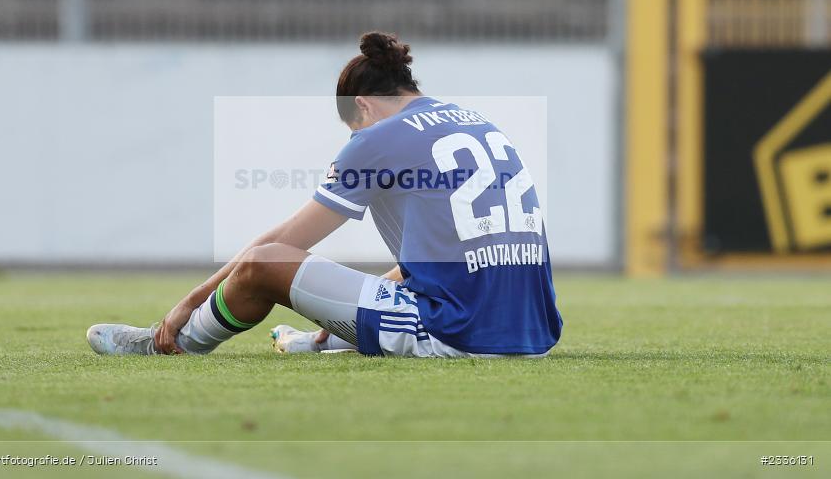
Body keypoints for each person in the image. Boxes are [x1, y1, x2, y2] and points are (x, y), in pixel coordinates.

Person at [87, 32, 561, 358]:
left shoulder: (377, 138)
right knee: (369, 296)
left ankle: (170, 342)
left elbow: (282, 248)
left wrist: (190, 300)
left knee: (264, 264)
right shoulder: (477, 122)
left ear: (362, 106)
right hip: (534, 330)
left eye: (352, 127)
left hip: (461, 333)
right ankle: (317, 342)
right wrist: (359, 300)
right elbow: (453, 249)